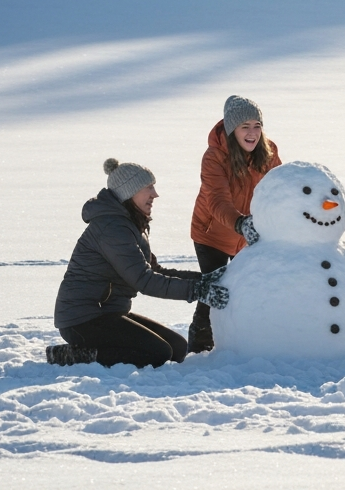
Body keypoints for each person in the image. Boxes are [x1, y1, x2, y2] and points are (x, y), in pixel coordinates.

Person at [48, 159, 229, 368]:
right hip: (83, 319)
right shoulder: (112, 228)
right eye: (148, 188)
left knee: (177, 348)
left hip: (108, 313)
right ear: (129, 192)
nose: (155, 194)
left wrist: (202, 280)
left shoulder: (129, 224)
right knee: (158, 353)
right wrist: (197, 291)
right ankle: (73, 355)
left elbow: (154, 271)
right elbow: (144, 280)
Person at [186, 95, 281, 352]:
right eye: (244, 127)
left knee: (248, 289)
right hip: (212, 235)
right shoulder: (214, 157)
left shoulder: (269, 152)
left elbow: (280, 190)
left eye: (256, 126)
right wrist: (240, 224)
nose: (252, 133)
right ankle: (199, 348)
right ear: (231, 130)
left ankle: (242, 342)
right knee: (214, 291)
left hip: (247, 235)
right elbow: (217, 201)